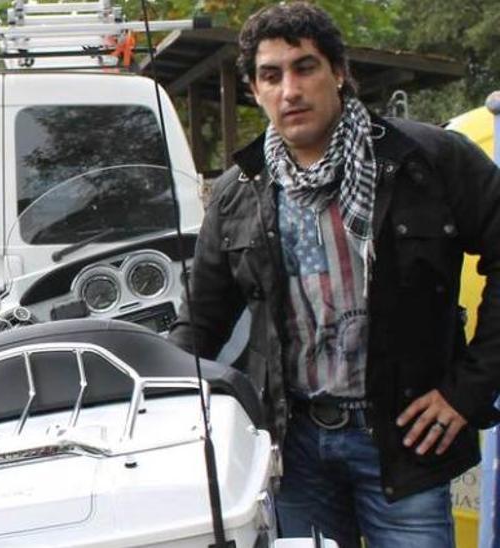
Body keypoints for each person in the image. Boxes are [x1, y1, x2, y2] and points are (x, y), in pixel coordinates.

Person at [169, 4, 500, 547]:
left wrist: (466, 391)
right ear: (254, 89)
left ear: (339, 72)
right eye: (271, 75)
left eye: (305, 68)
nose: (290, 90)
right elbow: (200, 324)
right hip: (293, 453)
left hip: (404, 443)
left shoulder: (427, 160)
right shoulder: (238, 194)